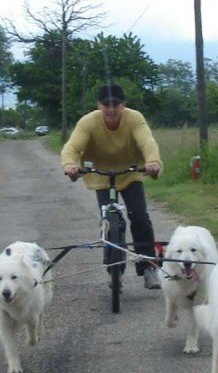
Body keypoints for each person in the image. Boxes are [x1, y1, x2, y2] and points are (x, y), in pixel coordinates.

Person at [61, 84, 163, 289]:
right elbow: (72, 147)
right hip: (100, 174)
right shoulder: (88, 122)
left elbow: (147, 143)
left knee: (139, 216)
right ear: (99, 105)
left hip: (130, 171)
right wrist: (70, 165)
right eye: (106, 104)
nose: (111, 109)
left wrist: (153, 162)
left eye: (116, 104)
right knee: (109, 221)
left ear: (123, 105)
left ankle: (148, 267)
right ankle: (114, 270)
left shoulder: (134, 118)